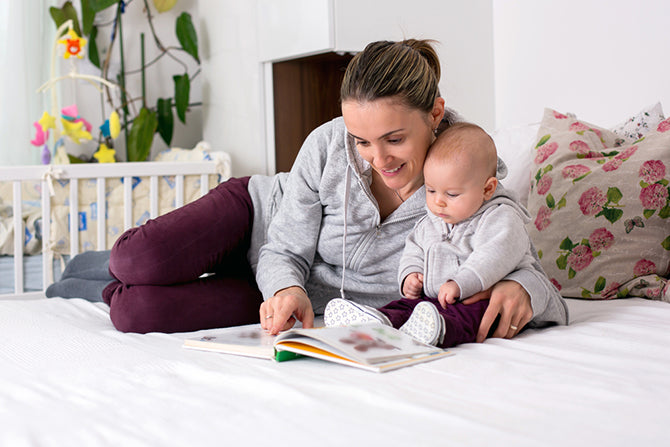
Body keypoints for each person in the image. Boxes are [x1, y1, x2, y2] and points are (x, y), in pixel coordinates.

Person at [50, 39, 567, 339]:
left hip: (296, 294)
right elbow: (283, 245)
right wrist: (285, 282)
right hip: (256, 222)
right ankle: (102, 263)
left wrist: (522, 289)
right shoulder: (327, 145)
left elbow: (530, 268)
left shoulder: (466, 177)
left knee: (135, 312)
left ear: (434, 113)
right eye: (362, 140)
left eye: (394, 139)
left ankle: (77, 279)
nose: (377, 159)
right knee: (138, 263)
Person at [324, 122, 564, 347]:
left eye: (451, 194)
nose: (438, 202)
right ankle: (377, 320)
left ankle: (437, 331)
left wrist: (460, 284)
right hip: (432, 300)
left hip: (477, 298)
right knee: (406, 305)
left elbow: (494, 256)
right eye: (430, 190)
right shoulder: (432, 220)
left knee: (466, 316)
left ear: (487, 188)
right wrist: (411, 274)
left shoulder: (500, 218)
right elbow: (414, 247)